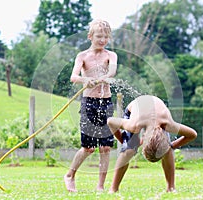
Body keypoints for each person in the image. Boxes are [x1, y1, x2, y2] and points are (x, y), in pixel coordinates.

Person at [64, 19, 118, 192]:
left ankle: (100, 186)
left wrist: (104, 78)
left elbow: (112, 71)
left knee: (106, 147)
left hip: (106, 102)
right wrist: (85, 80)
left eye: (106, 37)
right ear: (90, 36)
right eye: (99, 36)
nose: (102, 40)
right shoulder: (82, 56)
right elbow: (74, 77)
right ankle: (70, 175)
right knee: (88, 148)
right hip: (89, 103)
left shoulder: (111, 55)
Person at [107, 95, 197, 193]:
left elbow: (192, 134)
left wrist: (171, 146)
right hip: (137, 107)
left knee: (168, 151)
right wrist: (124, 142)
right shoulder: (133, 125)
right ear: (144, 136)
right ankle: (113, 188)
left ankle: (171, 187)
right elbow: (110, 122)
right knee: (128, 151)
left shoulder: (168, 124)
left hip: (157, 111)